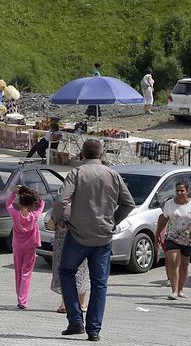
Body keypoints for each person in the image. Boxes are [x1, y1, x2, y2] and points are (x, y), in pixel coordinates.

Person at [53, 138, 135, 342]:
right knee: (100, 284)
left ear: (82, 153)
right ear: (101, 154)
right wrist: (113, 221)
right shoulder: (113, 174)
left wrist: (59, 220)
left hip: (78, 235)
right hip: (103, 237)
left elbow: (61, 200)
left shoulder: (77, 173)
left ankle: (75, 320)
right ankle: (94, 330)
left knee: (66, 272)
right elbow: (129, 203)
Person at [156, 180, 191, 300]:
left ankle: (181, 289)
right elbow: (163, 219)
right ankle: (174, 291)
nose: (179, 193)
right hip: (172, 237)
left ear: (187, 191)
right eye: (177, 190)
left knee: (184, 265)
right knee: (173, 262)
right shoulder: (169, 204)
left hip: (188, 239)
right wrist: (157, 234)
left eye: (182, 190)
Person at [7, 185, 45, 309]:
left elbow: (8, 204)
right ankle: (22, 300)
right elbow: (42, 204)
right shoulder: (34, 216)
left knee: (18, 272)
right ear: (30, 204)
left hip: (17, 246)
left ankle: (20, 297)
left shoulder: (15, 214)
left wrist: (14, 193)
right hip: (30, 246)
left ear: (20, 203)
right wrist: (32, 193)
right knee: (26, 273)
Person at [47, 209, 90, 314]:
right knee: (81, 271)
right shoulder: (83, 205)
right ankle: (82, 303)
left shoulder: (60, 208)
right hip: (80, 242)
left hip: (62, 244)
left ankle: (65, 304)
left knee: (65, 271)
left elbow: (50, 226)